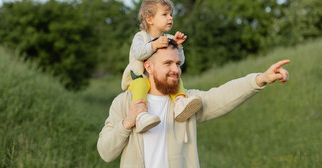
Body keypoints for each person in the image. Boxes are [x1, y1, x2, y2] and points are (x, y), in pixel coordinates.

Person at [97, 39, 290, 168]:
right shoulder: (123, 103)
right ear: (149, 66)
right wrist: (127, 122)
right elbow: (106, 152)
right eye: (168, 64)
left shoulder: (187, 103)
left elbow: (222, 95)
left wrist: (260, 79)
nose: (176, 70)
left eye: (178, 64)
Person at [121, 0, 202, 133]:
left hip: (159, 80)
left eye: (171, 15)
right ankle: (140, 115)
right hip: (138, 79)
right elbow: (139, 53)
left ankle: (180, 104)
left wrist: (178, 46)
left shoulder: (169, 38)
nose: (170, 18)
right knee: (141, 84)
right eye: (165, 15)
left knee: (175, 77)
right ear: (150, 19)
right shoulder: (141, 37)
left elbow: (180, 61)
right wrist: (153, 45)